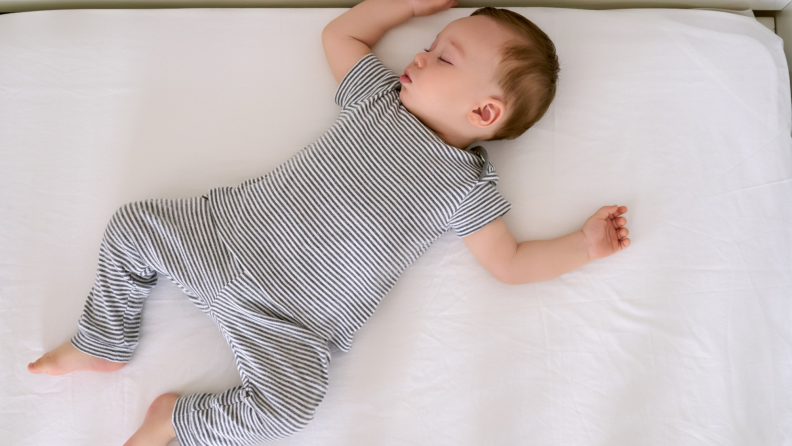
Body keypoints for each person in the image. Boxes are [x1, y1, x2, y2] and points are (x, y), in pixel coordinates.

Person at [27, 0, 631, 445]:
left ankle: (175, 421)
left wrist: (583, 244)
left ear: (484, 111)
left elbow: (510, 262)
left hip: (294, 320)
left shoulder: (465, 185)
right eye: (432, 40)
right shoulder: (381, 100)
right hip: (223, 242)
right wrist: (405, 8)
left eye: (443, 54)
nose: (419, 53)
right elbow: (342, 33)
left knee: (288, 409)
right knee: (134, 227)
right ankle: (102, 341)